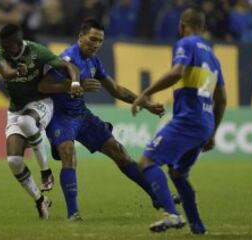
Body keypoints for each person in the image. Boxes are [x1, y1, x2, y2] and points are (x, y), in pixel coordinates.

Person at [38, 19, 168, 221]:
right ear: (80, 37)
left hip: (81, 115)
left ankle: (156, 196)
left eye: (100, 41)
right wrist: (75, 84)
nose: (96, 45)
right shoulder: (65, 58)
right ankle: (73, 213)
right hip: (60, 117)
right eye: (92, 39)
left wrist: (147, 104)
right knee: (68, 152)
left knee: (119, 151)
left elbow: (116, 90)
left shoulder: (94, 62)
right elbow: (43, 86)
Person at [131, 8, 227, 234]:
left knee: (147, 162)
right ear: (204, 28)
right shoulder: (213, 57)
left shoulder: (186, 43)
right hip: (204, 122)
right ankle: (197, 226)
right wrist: (212, 132)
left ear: (182, 26)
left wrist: (146, 92)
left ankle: (172, 214)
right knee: (177, 174)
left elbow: (176, 72)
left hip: (188, 119)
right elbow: (222, 99)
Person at [0, 24, 82, 219]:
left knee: (26, 122)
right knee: (14, 161)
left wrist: (74, 82)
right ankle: (40, 200)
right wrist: (18, 72)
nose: (5, 50)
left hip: (41, 103)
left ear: (18, 43)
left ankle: (45, 171)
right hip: (16, 109)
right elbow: (6, 73)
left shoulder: (37, 51)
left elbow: (69, 66)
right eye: (3, 46)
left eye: (9, 46)